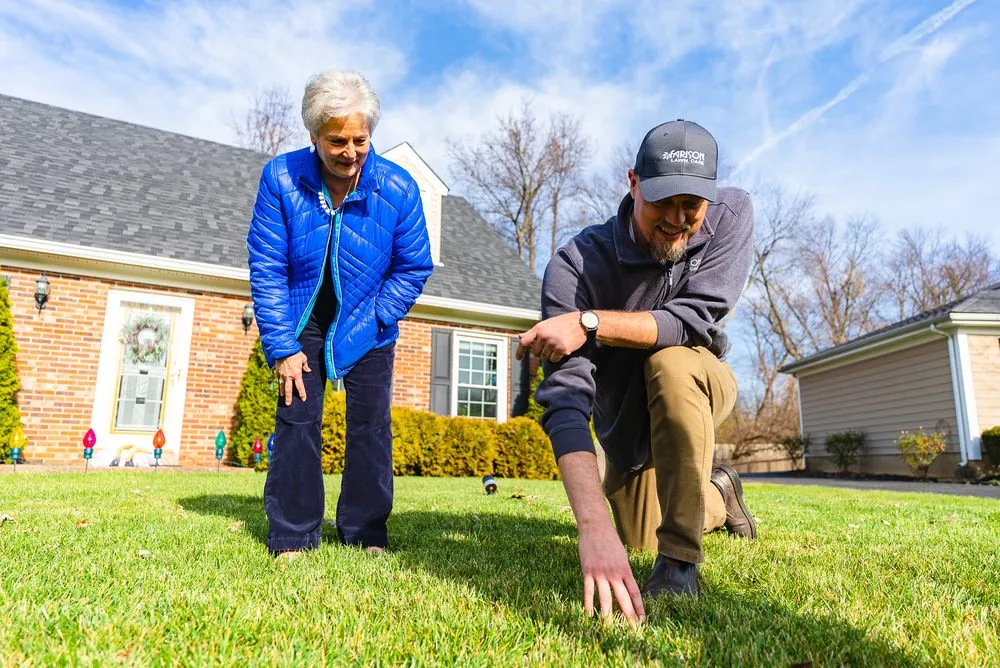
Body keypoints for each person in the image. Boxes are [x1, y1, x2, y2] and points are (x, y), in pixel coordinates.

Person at [518, 119, 756, 624]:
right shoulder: (577, 265)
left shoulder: (732, 215)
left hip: (697, 383)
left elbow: (692, 320)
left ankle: (679, 564)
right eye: (662, 202)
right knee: (636, 532)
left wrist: (590, 323)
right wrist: (592, 526)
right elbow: (564, 399)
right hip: (626, 429)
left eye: (690, 205)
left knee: (669, 362)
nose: (676, 219)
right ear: (633, 184)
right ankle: (719, 493)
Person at [248, 70, 433, 558]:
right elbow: (266, 266)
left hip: (370, 317)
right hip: (301, 317)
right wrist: (282, 346)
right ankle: (291, 533)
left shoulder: (398, 187)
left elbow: (413, 267)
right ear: (313, 136)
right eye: (336, 141)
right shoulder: (281, 178)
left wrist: (377, 318)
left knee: (371, 425)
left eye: (360, 140)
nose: (349, 152)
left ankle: (367, 531)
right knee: (297, 419)